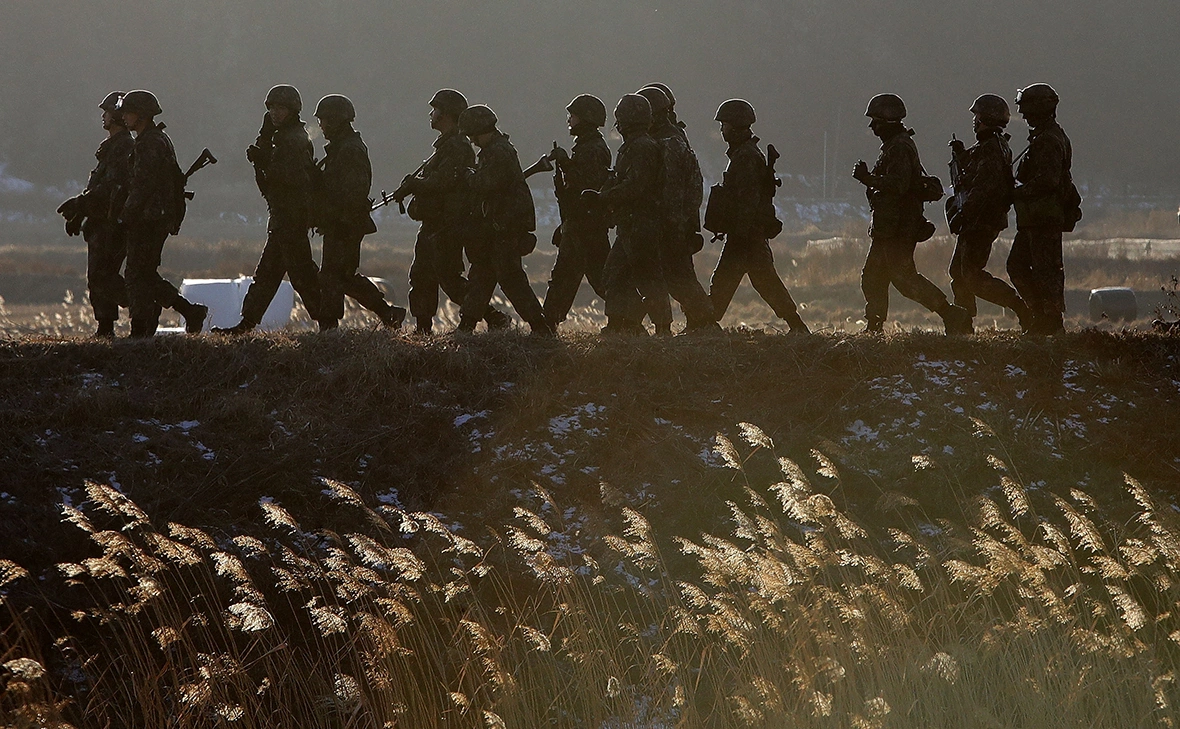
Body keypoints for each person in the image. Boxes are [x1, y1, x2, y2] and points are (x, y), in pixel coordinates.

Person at [852, 93, 971, 335]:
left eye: (875, 121)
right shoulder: (893, 146)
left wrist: (867, 179)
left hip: (899, 226)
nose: (872, 127)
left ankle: (952, 314)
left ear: (886, 122)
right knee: (873, 276)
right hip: (888, 225)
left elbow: (898, 184)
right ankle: (874, 327)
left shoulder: (899, 147)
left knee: (904, 279)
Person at [394, 89, 509, 336]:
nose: (431, 115)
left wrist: (417, 185)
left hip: (447, 224)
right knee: (422, 276)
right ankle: (423, 329)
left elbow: (446, 181)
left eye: (435, 110)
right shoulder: (446, 145)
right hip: (435, 222)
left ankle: (492, 316)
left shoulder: (457, 146)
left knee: (449, 279)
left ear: (445, 114)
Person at [213, 85, 320, 335]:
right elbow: (269, 186)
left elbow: (291, 178)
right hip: (282, 217)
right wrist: (263, 143)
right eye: (271, 108)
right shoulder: (280, 137)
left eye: (280, 108)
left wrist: (265, 161)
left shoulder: (294, 139)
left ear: (292, 110)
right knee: (267, 275)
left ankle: (327, 320)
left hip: (292, 217)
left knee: (302, 275)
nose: (274, 113)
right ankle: (247, 323)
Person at [707, 99, 809, 333]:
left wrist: (739, 232)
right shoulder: (744, 154)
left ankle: (705, 324)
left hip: (746, 234)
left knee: (735, 281)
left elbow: (747, 200)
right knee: (760, 281)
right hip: (747, 232)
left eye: (724, 124)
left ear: (734, 125)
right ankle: (705, 324)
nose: (722, 130)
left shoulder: (745, 157)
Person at [115, 90, 208, 337]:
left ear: (142, 115)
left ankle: (173, 317)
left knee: (137, 274)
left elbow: (142, 184)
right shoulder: (153, 139)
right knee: (143, 274)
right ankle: (147, 327)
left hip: (149, 218)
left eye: (128, 112)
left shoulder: (150, 143)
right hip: (154, 216)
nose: (123, 116)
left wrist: (126, 214)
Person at [311, 94, 405, 331]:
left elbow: (351, 192)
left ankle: (331, 327)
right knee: (340, 276)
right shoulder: (343, 147)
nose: (321, 126)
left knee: (335, 276)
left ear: (335, 121)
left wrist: (335, 215)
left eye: (324, 120)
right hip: (341, 223)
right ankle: (386, 314)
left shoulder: (349, 149)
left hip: (345, 224)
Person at [455, 104, 552, 335]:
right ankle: (465, 327)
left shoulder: (499, 152)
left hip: (504, 230)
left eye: (473, 136)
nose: (472, 141)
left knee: (511, 280)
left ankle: (541, 328)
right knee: (480, 278)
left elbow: (485, 184)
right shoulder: (493, 151)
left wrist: (467, 175)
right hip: (493, 230)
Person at [946, 94, 1031, 331]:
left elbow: (985, 186)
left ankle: (1019, 307)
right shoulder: (990, 145)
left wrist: (965, 213)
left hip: (981, 220)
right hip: (977, 218)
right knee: (958, 272)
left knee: (971, 274)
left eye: (977, 116)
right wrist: (962, 154)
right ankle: (963, 323)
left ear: (986, 118)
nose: (975, 121)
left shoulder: (992, 147)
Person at [583, 94, 667, 334]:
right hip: (631, 223)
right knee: (615, 274)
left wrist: (603, 198)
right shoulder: (633, 146)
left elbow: (635, 186)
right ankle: (623, 325)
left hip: (642, 223)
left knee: (647, 277)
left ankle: (661, 327)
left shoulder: (642, 147)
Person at [636, 86, 716, 334]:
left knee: (679, 277)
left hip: (672, 222)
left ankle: (705, 325)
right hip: (674, 220)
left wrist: (670, 224)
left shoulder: (669, 141)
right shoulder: (668, 136)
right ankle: (701, 324)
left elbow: (673, 187)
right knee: (674, 275)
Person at [57, 92, 133, 337]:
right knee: (99, 277)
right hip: (101, 221)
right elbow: (98, 187)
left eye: (107, 112)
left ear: (117, 116)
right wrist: (81, 214)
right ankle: (105, 327)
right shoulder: (112, 146)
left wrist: (79, 204)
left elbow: (110, 187)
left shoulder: (123, 147)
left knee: (103, 276)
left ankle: (144, 304)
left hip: (112, 222)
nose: (104, 116)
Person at [539, 94, 612, 327]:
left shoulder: (592, 149)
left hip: (585, 225)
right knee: (599, 278)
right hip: (583, 224)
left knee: (565, 278)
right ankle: (628, 319)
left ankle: (547, 325)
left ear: (586, 119)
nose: (569, 120)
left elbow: (586, 187)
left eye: (574, 116)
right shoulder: (586, 146)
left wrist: (566, 164)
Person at [1008, 83, 1075, 335]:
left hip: (1043, 217)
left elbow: (1048, 181)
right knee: (1019, 266)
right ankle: (1040, 316)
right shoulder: (1045, 136)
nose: (1023, 115)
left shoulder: (1048, 140)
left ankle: (1050, 323)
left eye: (1026, 109)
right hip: (1034, 217)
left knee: (1046, 271)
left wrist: (1017, 191)